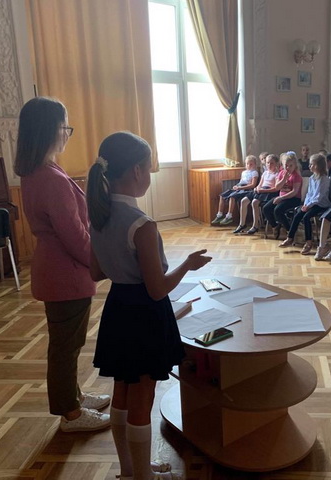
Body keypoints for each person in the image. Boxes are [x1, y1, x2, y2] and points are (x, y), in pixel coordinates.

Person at [87, 131, 211, 480]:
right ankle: (142, 476)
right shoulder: (142, 224)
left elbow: (96, 272)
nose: (150, 173)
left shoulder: (99, 216)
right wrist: (187, 265)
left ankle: (130, 469)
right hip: (144, 314)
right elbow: (157, 290)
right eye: (149, 167)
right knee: (142, 398)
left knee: (122, 391)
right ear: (137, 171)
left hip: (118, 309)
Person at [14, 97, 110, 433]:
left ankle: (74, 397)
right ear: (48, 130)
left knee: (68, 344)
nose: (67, 133)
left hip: (57, 270)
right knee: (66, 347)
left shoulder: (37, 171)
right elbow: (74, 236)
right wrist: (102, 264)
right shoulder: (50, 178)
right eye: (64, 126)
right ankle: (70, 413)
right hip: (65, 274)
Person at [279, 153, 331, 255]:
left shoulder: (324, 179)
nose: (309, 166)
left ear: (318, 166)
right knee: (298, 214)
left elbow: (319, 196)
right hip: (310, 203)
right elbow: (309, 194)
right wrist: (306, 204)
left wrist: (309, 206)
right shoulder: (312, 178)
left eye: (312, 164)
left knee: (307, 217)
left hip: (321, 204)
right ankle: (290, 238)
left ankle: (309, 242)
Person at [263, 151, 303, 240]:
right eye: (286, 165)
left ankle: (290, 231)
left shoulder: (296, 176)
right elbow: (277, 187)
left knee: (278, 210)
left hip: (293, 198)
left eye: (290, 166)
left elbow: (294, 192)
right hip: (282, 197)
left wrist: (281, 198)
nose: (288, 168)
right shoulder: (281, 173)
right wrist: (284, 179)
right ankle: (275, 226)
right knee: (266, 208)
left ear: (295, 165)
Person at [211, 155, 259, 227]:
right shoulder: (244, 172)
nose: (249, 165)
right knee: (222, 195)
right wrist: (236, 186)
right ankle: (219, 215)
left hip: (247, 189)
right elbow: (241, 182)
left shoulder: (254, 173)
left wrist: (240, 188)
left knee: (232, 196)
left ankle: (229, 216)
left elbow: (253, 185)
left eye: (251, 164)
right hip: (240, 187)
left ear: (255, 164)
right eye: (247, 164)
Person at [244, 153, 280, 235]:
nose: (269, 165)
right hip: (262, 190)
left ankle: (255, 225)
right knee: (252, 201)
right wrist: (257, 188)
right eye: (268, 163)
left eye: (272, 163)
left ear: (276, 164)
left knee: (255, 202)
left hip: (270, 192)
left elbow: (276, 188)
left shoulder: (277, 174)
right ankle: (254, 225)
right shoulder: (265, 173)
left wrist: (262, 190)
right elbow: (260, 184)